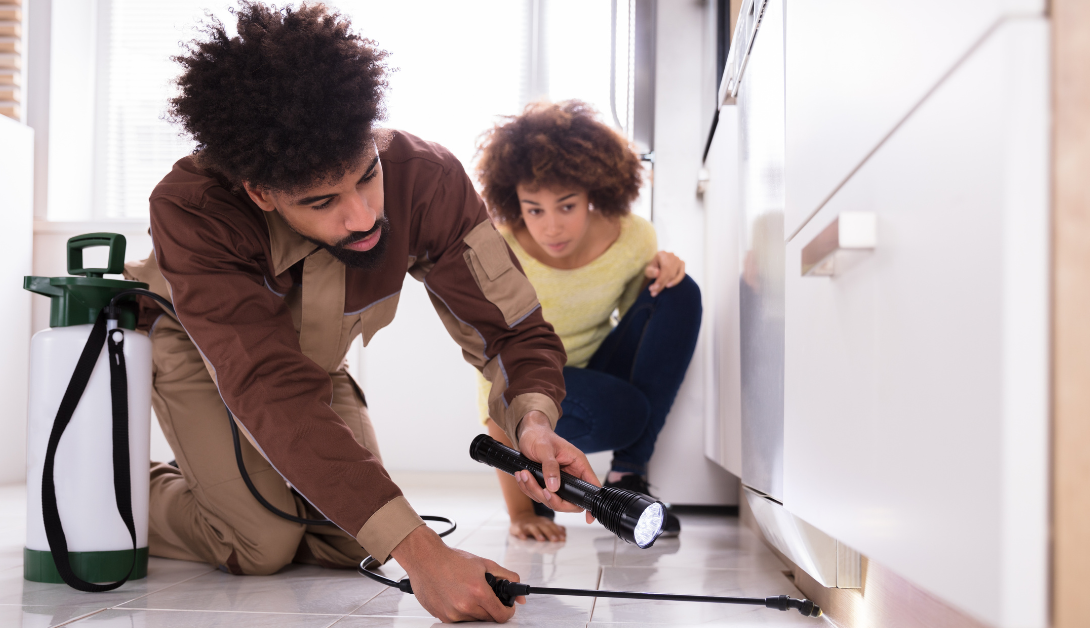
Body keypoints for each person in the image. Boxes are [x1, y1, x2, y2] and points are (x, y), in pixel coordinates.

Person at [122, 3, 598, 623]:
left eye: (364, 177)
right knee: (262, 545)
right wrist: (425, 557)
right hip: (197, 349)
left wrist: (532, 421)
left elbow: (511, 328)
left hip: (310, 365)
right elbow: (268, 386)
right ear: (261, 194)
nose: (362, 217)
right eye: (321, 201)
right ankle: (125, 493)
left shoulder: (428, 179)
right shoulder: (192, 209)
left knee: (357, 540)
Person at [473, 100, 703, 543]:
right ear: (512, 200)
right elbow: (495, 380)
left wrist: (664, 271)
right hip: (533, 393)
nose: (551, 228)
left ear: (593, 192)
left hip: (597, 372)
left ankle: (627, 480)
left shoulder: (633, 235)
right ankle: (544, 482)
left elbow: (651, 327)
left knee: (681, 291)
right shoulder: (496, 250)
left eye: (566, 206)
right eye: (533, 209)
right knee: (626, 408)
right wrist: (521, 514)